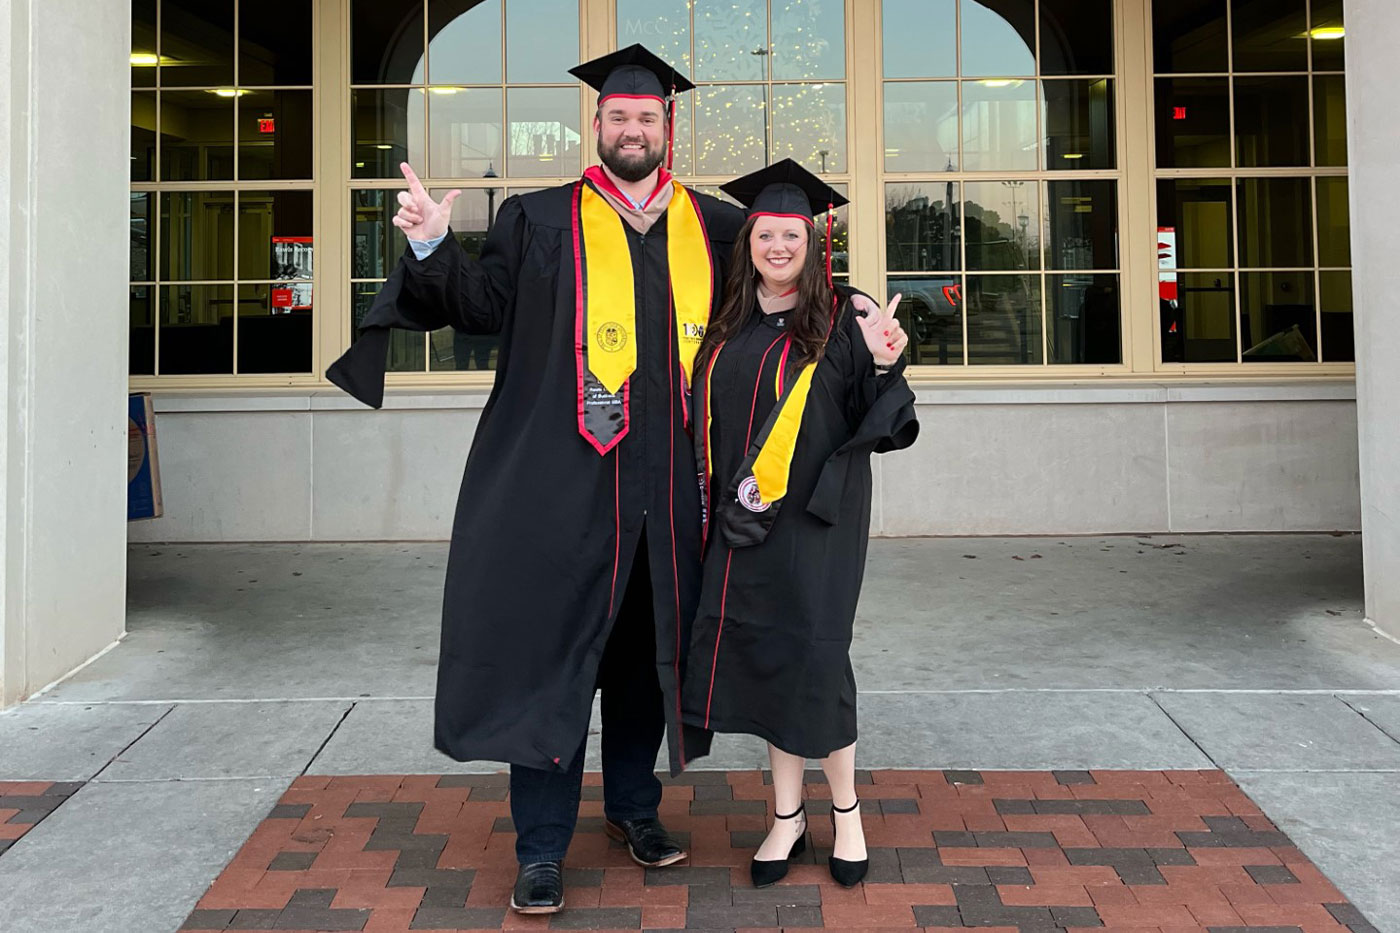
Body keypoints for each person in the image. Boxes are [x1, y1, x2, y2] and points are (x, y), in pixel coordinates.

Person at [326, 45, 745, 915]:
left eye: (648, 117)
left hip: (670, 495)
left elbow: (770, 328)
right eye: (619, 116)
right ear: (596, 125)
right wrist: (434, 242)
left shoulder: (717, 228)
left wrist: (864, 338)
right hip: (561, 488)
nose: (633, 129)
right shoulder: (538, 218)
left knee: (643, 664)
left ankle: (635, 812)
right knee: (550, 662)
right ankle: (542, 847)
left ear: (670, 126)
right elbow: (477, 310)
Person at [680, 159, 919, 889]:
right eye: (766, 233)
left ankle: (846, 810)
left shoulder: (847, 316)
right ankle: (787, 816)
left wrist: (883, 367)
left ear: (813, 244)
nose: (777, 246)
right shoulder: (729, 319)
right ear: (748, 237)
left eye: (792, 234)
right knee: (768, 656)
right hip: (742, 519)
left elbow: (880, 421)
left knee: (816, 656)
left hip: (817, 521)